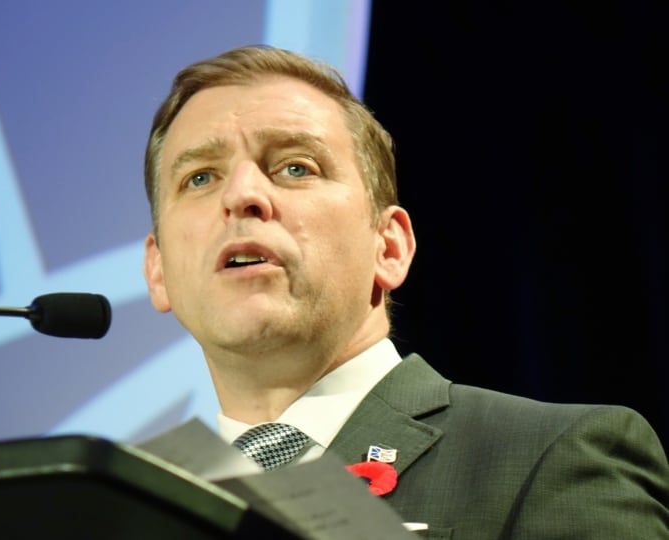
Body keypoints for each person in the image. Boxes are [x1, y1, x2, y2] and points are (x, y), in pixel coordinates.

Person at [141, 45, 669, 537]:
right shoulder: (114, 505)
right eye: (201, 178)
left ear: (388, 248)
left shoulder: (550, 456)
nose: (242, 195)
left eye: (295, 167)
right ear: (159, 269)